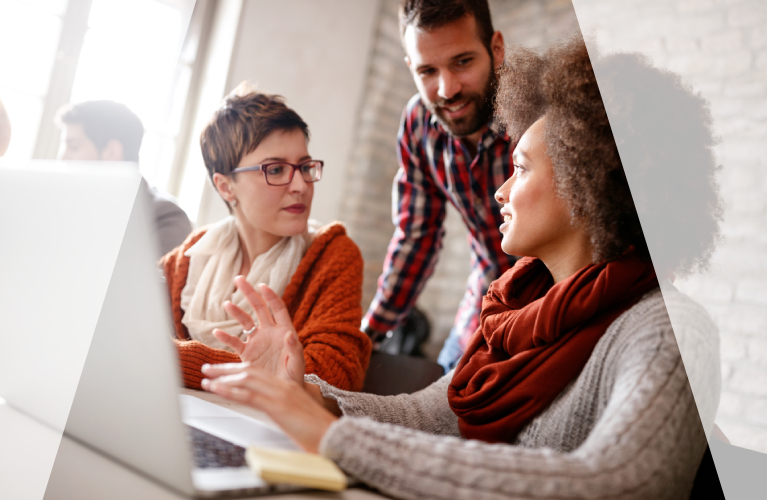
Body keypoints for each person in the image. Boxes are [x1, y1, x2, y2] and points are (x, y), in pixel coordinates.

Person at [200, 37, 723, 499]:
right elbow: (435, 414)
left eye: (519, 169)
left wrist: (333, 437)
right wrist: (309, 393)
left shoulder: (668, 331)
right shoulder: (518, 310)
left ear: (585, 186)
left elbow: (612, 484)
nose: (499, 191)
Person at [161, 85, 371, 392]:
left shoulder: (332, 254)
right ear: (225, 186)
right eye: (275, 169)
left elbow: (336, 376)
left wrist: (171, 358)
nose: (300, 184)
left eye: (304, 167)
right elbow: (126, 330)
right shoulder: (193, 255)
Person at [362, 0, 518, 372]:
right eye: (427, 71)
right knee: (446, 387)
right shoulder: (417, 122)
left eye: (463, 62)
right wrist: (367, 336)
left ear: (495, 48)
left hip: (558, 289)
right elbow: (417, 236)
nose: (447, 89)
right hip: (487, 289)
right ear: (410, 68)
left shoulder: (537, 106)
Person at [57, 100, 192, 257]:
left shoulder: (166, 218)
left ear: (112, 153)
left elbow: (145, 281)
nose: (63, 158)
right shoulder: (68, 206)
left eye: (74, 147)